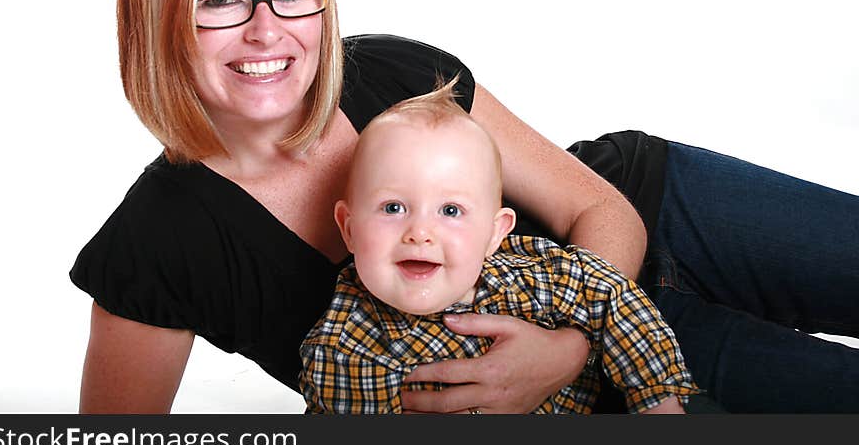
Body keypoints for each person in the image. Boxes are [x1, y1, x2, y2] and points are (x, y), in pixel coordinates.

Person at [70, 0, 858, 414]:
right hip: (599, 397)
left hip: (658, 216)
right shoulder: (156, 243)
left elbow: (594, 203)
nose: (267, 29)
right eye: (221, 0)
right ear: (159, 18)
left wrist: (567, 346)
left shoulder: (393, 71)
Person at [299, 82, 699, 413]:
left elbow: (613, 297)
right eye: (393, 207)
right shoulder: (343, 350)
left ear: (495, 234)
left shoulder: (530, 277)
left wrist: (658, 402)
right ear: (348, 228)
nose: (420, 232)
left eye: (450, 210)